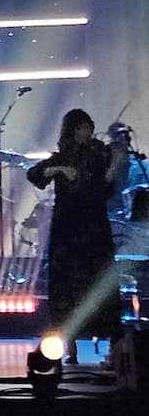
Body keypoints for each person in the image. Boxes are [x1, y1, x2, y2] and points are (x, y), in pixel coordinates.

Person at [27, 108, 124, 363]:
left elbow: (104, 191)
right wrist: (58, 169)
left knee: (100, 283)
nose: (88, 133)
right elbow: (35, 175)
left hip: (94, 229)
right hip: (68, 231)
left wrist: (114, 165)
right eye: (82, 128)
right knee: (67, 287)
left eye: (89, 127)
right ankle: (68, 346)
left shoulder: (99, 155)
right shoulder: (62, 157)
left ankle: (114, 348)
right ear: (73, 131)